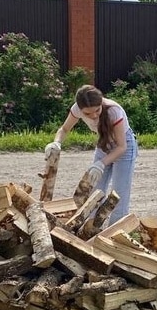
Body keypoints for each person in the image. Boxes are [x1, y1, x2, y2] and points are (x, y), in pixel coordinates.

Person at [46, 85, 138, 224]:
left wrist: (101, 163)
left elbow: (121, 146)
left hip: (124, 146)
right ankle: (89, 230)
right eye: (88, 114)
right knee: (94, 190)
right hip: (104, 143)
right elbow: (64, 129)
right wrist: (56, 143)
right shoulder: (76, 109)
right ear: (80, 108)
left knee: (118, 195)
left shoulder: (114, 111)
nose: (94, 116)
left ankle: (116, 233)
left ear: (101, 103)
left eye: (97, 110)